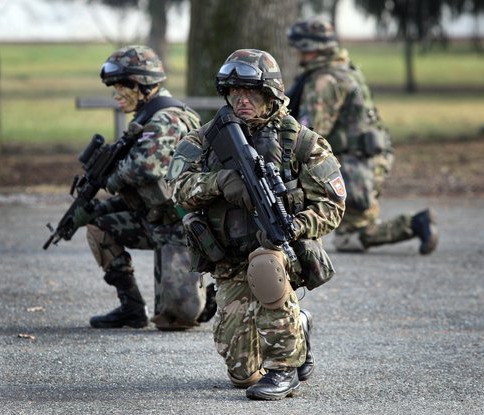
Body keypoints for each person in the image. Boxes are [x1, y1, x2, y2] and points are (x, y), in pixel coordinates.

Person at [167, 49, 345, 400]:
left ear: (272, 94)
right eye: (234, 92)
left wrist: (296, 226)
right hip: (228, 258)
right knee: (243, 374)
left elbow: (333, 205)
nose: (241, 100)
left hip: (278, 252)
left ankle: (284, 368)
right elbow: (175, 188)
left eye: (251, 93)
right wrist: (219, 182)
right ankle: (300, 324)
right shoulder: (203, 141)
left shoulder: (303, 143)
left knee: (266, 267)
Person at [71, 45, 211, 331]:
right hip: (155, 219)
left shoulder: (167, 119)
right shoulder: (147, 117)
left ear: (142, 84)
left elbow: (147, 166)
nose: (117, 95)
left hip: (181, 228)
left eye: (122, 87)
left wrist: (111, 179)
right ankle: (131, 308)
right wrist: (98, 207)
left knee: (176, 320)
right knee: (98, 223)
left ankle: (213, 296)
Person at [286, 16, 438, 255]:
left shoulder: (324, 81)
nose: (296, 54)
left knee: (349, 238)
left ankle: (416, 223)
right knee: (349, 232)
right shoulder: (344, 68)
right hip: (368, 157)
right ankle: (416, 223)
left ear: (310, 49)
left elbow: (309, 136)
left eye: (299, 48)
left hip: (357, 165)